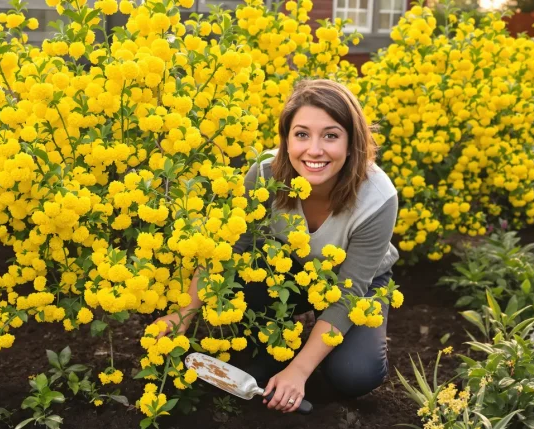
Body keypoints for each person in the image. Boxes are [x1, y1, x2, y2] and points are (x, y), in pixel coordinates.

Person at [155, 79, 399, 413]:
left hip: (353, 284)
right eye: (302, 134)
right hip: (288, 272)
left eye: (330, 135)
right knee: (251, 352)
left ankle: (306, 362)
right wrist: (184, 313)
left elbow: (349, 292)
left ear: (352, 141)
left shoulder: (378, 197)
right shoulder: (266, 174)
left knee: (354, 375)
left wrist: (299, 370)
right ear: (286, 139)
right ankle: (277, 351)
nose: (314, 149)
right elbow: (232, 249)